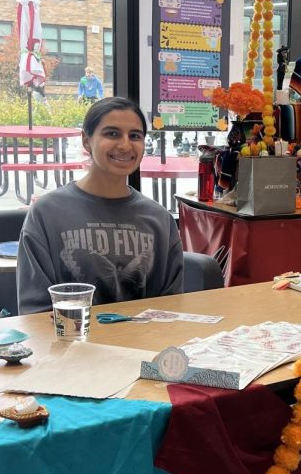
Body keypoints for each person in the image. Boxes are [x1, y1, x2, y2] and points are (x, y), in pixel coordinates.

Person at [17, 97, 183, 313]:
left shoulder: (159, 219)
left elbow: (171, 307)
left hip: (143, 342)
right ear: (86, 141)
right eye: (112, 133)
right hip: (69, 342)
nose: (125, 145)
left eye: (135, 136)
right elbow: (35, 311)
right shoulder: (47, 213)